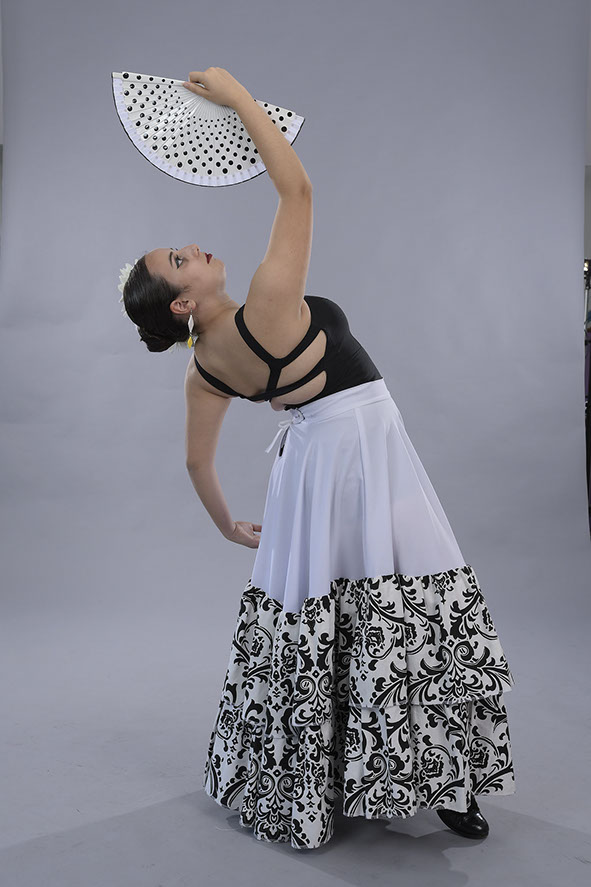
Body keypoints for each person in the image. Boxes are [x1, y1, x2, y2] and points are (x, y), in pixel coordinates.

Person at [119, 67, 516, 851]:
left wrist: (227, 525)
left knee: (319, 614)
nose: (193, 247)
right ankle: (444, 780)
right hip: (364, 453)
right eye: (179, 259)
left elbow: (197, 464)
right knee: (407, 597)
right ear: (182, 302)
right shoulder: (268, 300)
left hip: (306, 469)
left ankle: (315, 784)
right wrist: (237, 98)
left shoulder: (204, 368)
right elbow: (296, 191)